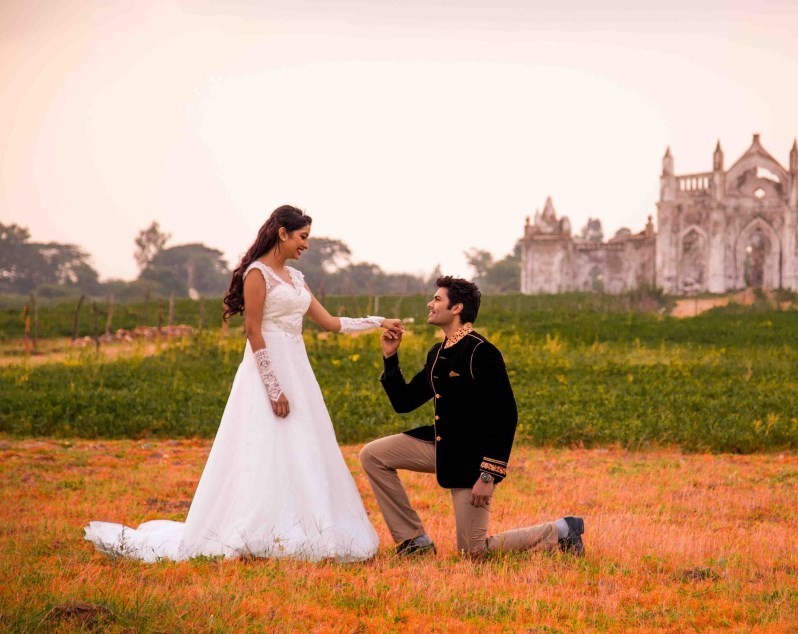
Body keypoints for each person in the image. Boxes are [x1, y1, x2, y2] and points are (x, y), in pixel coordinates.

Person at [85, 205, 402, 562]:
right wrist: (272, 387)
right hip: (267, 373)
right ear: (282, 233)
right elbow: (253, 331)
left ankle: (309, 526)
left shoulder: (297, 279)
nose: (306, 245)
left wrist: (378, 322)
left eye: (307, 238)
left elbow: (329, 322)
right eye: (302, 237)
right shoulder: (257, 274)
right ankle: (252, 531)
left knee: (304, 447)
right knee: (262, 446)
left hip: (299, 372)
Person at [360, 276, 585, 558]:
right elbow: (404, 402)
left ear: (457, 308)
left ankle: (562, 530)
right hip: (440, 446)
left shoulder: (482, 352)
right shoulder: (438, 353)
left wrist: (488, 474)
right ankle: (413, 541)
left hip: (472, 461)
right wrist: (390, 358)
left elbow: (506, 415)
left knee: (473, 553)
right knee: (372, 455)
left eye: (437, 299)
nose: (430, 304)